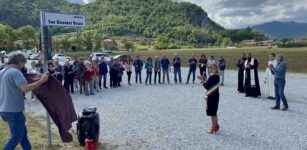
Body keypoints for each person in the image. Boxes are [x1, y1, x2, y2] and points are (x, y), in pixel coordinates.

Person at [0, 52, 49, 150]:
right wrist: (41, 81)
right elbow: (25, 88)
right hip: (14, 111)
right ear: (19, 62)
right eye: (23, 63)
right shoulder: (15, 72)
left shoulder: (2, 72)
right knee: (16, 137)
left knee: (22, 135)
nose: (23, 66)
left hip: (4, 109)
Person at [197, 64, 220, 134]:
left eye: (209, 67)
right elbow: (209, 84)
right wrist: (204, 79)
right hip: (215, 95)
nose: (208, 69)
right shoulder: (216, 76)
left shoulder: (213, 77)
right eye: (208, 67)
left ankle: (213, 128)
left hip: (211, 96)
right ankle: (216, 126)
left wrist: (201, 80)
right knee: (214, 112)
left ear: (213, 68)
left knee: (212, 113)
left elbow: (207, 86)